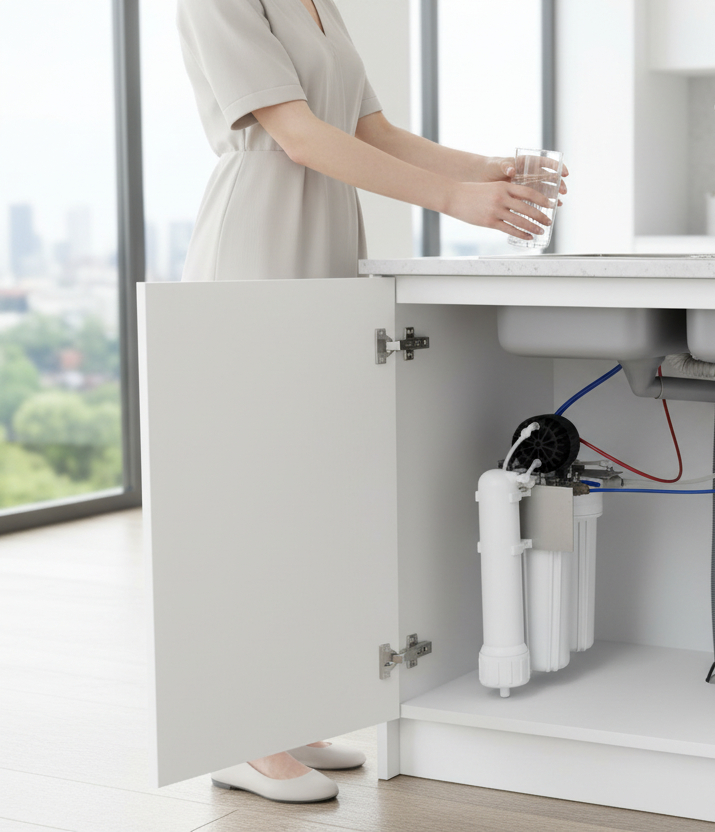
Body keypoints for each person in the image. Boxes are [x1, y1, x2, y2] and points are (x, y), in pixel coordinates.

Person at [177, 0, 566, 803]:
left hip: (322, 241)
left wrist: (485, 171)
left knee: (306, 492)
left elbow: (373, 132)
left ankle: (283, 714)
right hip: (260, 243)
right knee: (258, 496)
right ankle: (237, 732)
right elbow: (300, 136)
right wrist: (450, 202)